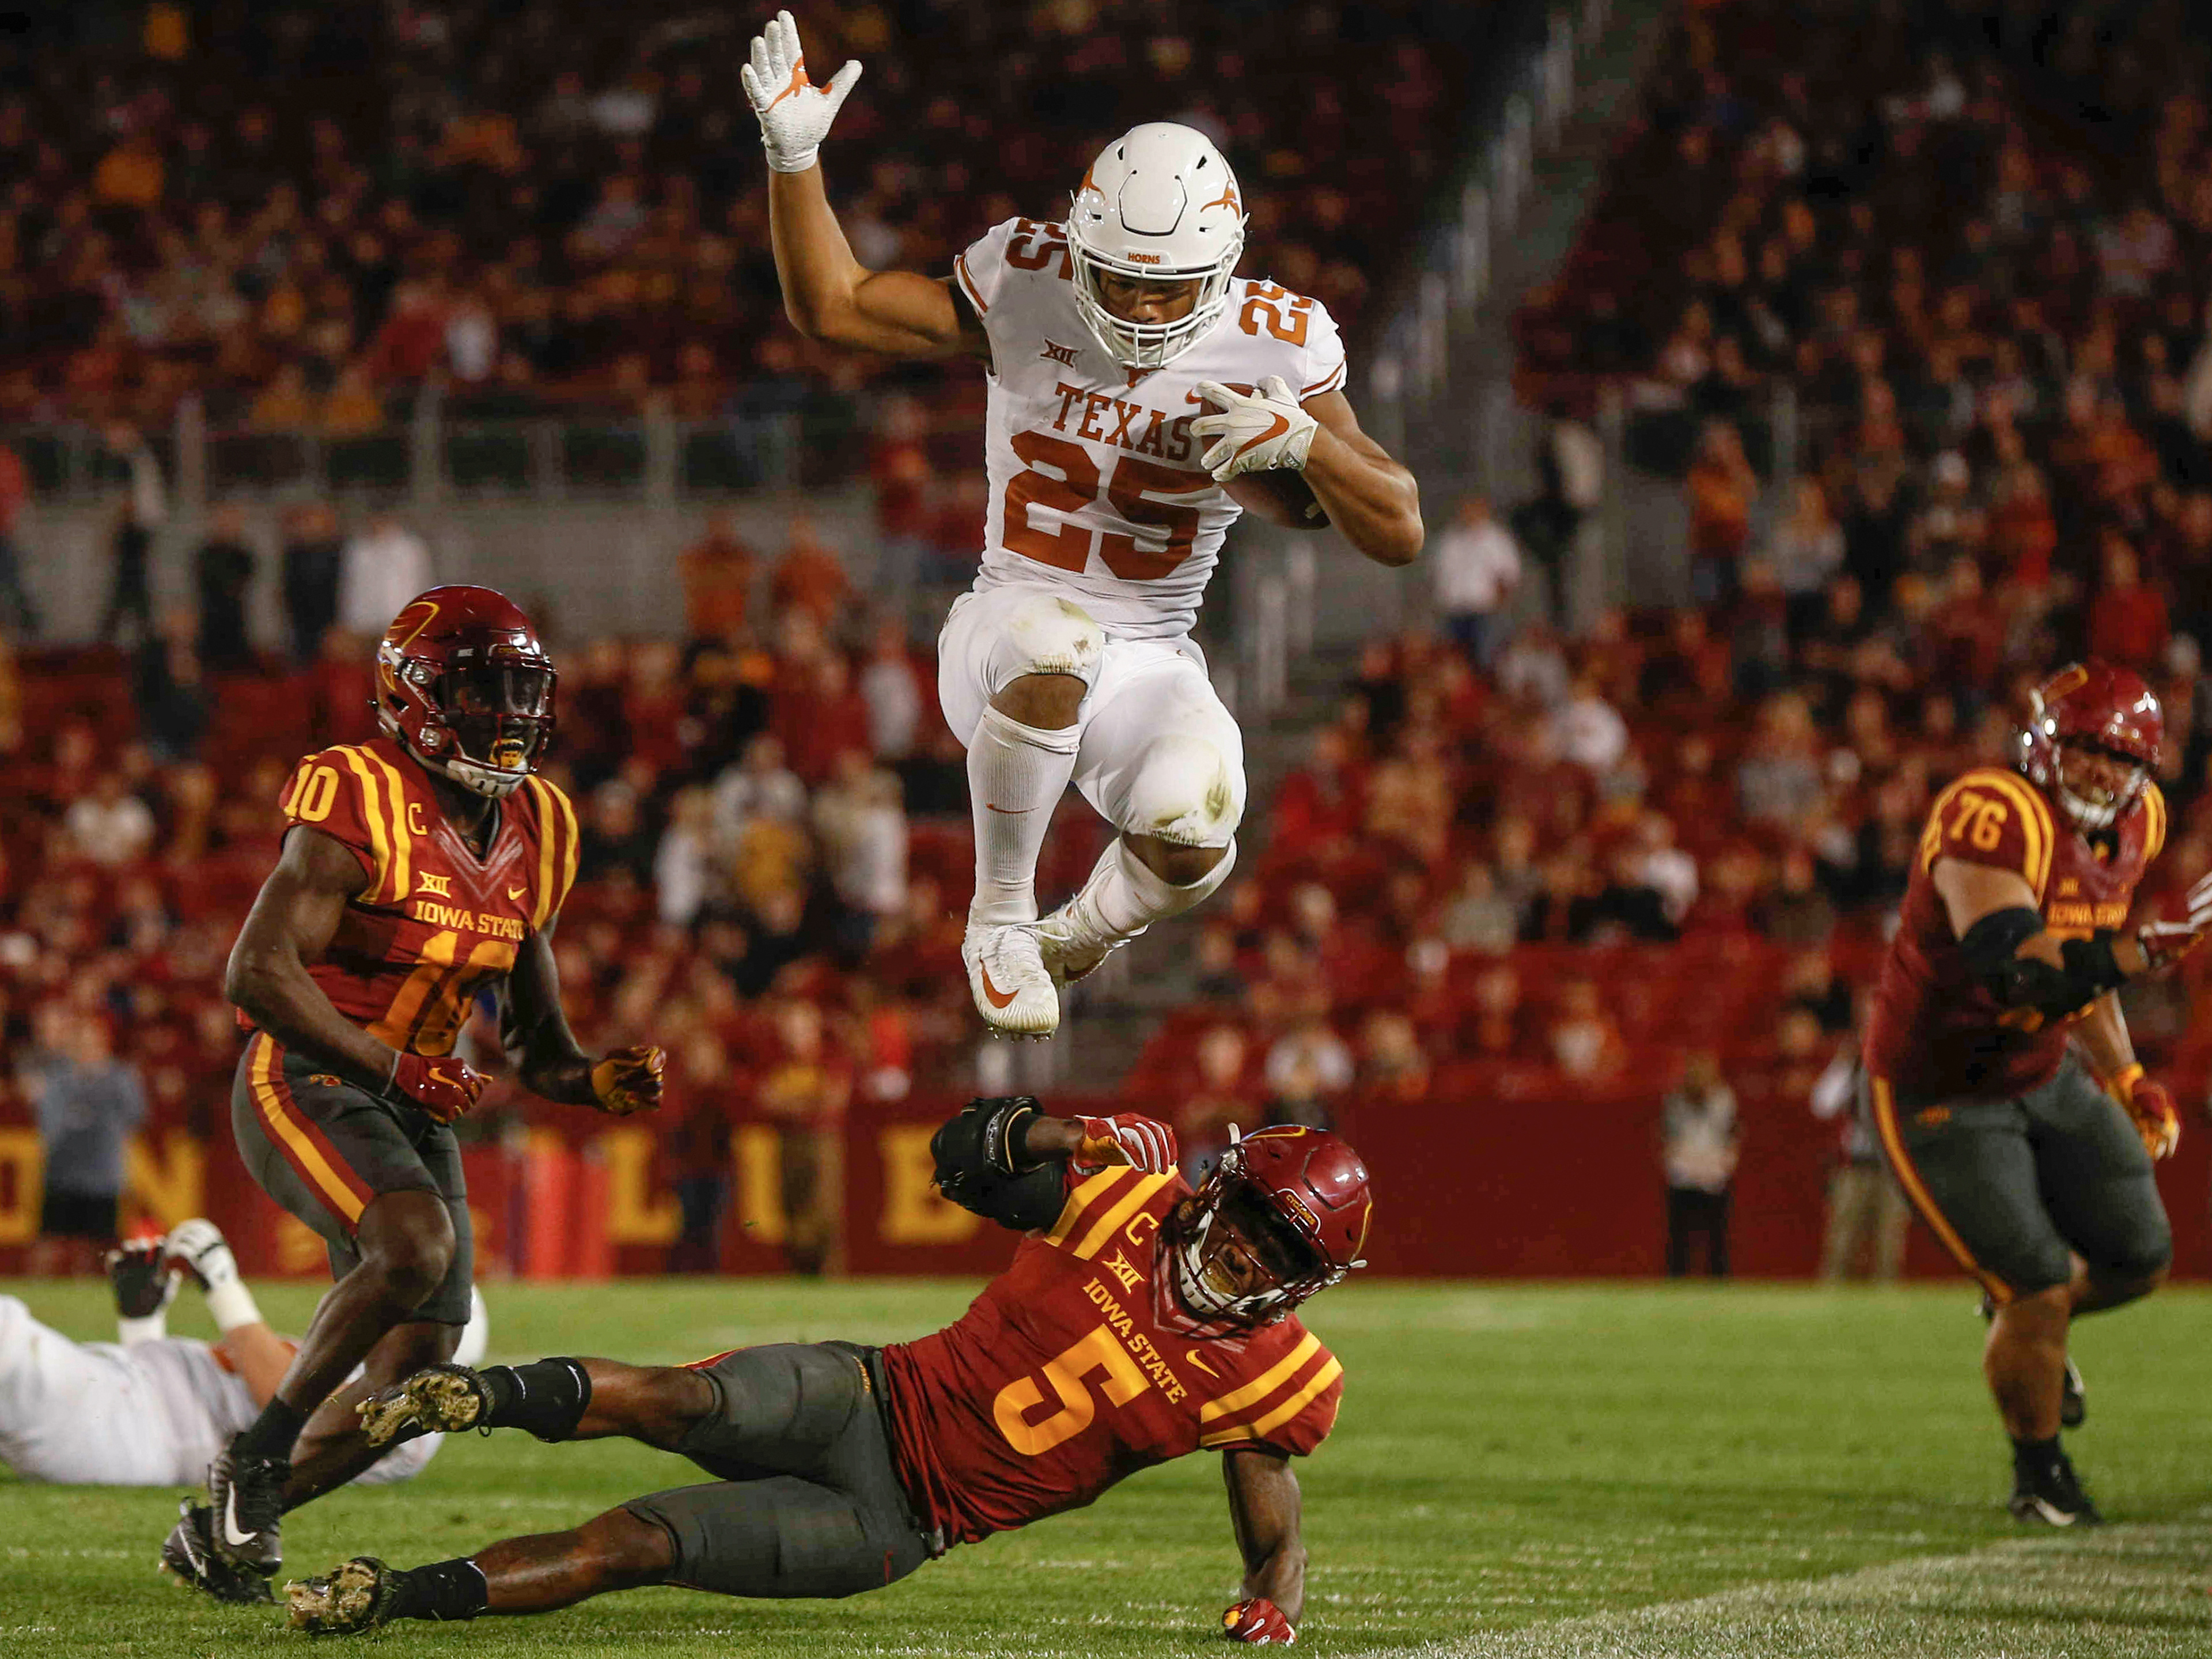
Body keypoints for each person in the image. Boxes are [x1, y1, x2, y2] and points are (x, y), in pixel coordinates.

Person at [743, 13, 1422, 1038]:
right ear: (1078, 244)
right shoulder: (1026, 279)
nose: (1146, 312)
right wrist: (795, 160)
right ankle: (1002, 919)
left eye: (1170, 289)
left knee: (1200, 829)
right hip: (1010, 618)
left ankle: (1076, 937)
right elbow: (835, 309)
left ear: (1225, 270)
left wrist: (1305, 443)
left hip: (1152, 648)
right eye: (1123, 282)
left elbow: (1398, 524)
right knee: (1056, 643)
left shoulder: (1276, 341)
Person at [283, 1106, 1370, 1650]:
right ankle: (475, 1397)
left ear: (1306, 1283)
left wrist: (1269, 1611)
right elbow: (961, 1160)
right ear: (1215, 1191)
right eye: (1251, 1227)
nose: (1247, 1258)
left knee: (635, 1545)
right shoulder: (1124, 1204)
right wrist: (1068, 1128)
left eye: (1282, 1255)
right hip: (870, 1394)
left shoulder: (1274, 1381)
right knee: (682, 1399)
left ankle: (390, 1598)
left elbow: (1277, 1542)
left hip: (891, 1522)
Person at [166, 585, 666, 1597]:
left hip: (414, 1095)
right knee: (415, 1245)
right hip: (306, 1074)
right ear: (416, 695)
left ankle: (217, 1531)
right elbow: (256, 974)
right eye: (485, 689)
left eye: (523, 689)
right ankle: (256, 1455)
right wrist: (394, 1067)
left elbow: (535, 1042)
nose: (510, 713)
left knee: (422, 1388)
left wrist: (590, 1080)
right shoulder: (358, 790)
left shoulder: (542, 824)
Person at [1861, 660, 2212, 1525]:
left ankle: (2030, 1335)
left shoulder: (2143, 822)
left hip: (2045, 1067)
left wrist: (2127, 1074)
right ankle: (2039, 1473)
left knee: (2138, 1257)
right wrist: (2145, 952)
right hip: (1942, 1086)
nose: (2101, 771)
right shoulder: (1993, 811)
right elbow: (2019, 969)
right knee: (2040, 1282)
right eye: (2086, 748)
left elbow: (2081, 962)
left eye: (2120, 757)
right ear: (2044, 743)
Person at [3, 1222, 483, 1604]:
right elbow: (195, 1401)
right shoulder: (366, 1368)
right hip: (122, 1399)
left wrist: (223, 1286)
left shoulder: (410, 1418)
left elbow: (293, 1399)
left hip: (121, 1424)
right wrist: (143, 1323)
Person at [18, 1006, 147, 1277]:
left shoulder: (120, 1078)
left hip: (102, 1176)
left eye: (91, 1041)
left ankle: (86, 1296)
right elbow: (47, 1123)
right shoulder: (59, 1079)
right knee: (49, 1241)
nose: (86, 1048)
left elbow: (136, 1115)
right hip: (63, 1172)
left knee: (96, 1247)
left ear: (104, 1043)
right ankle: (37, 1294)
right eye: (81, 1042)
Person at [1809, 1031, 1907, 1282]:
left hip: (1891, 1169)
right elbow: (1822, 1104)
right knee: (1841, 1243)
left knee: (1889, 1246)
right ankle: (1831, 1299)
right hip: (1855, 1166)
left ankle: (1888, 1306)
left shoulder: (1901, 1070)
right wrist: (1842, 1064)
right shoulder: (1853, 1069)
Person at [1661, 1050, 1737, 1277]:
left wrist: (1720, 1166)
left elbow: (1732, 1138)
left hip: (1714, 1176)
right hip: (1684, 1175)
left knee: (1717, 1237)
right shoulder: (1675, 1102)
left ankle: (1719, 1279)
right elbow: (1668, 1141)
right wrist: (1687, 1166)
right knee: (1680, 1237)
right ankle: (1676, 1279)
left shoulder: (1725, 1101)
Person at [1430, 495, 1520, 662]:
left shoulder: (1496, 540)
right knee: (1457, 659)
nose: (1468, 514)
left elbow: (1507, 576)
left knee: (1485, 658)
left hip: (1484, 611)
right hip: (1454, 611)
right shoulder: (1449, 540)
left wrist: (1498, 607)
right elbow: (1438, 575)